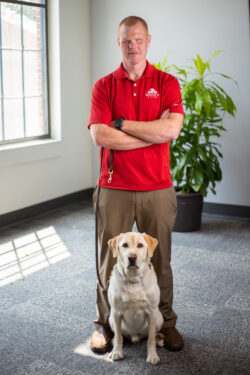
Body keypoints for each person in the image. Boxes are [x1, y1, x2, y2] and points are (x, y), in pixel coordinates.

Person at [88, 15, 184, 354]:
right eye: (127, 40)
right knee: (108, 259)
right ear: (119, 42)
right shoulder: (104, 86)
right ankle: (104, 326)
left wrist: (123, 125)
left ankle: (165, 324)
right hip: (113, 187)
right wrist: (150, 134)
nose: (133, 46)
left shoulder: (167, 83)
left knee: (160, 260)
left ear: (148, 40)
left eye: (138, 40)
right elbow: (100, 135)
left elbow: (171, 130)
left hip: (157, 187)